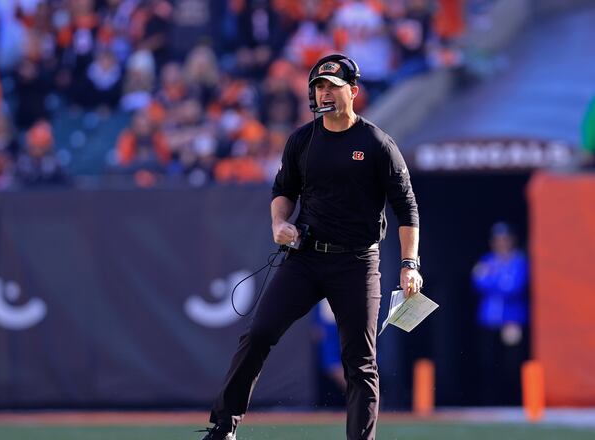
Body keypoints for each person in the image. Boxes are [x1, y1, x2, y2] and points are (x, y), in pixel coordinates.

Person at [198, 53, 422, 440]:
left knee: (360, 362)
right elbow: (282, 191)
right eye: (319, 86)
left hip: (357, 262)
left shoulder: (376, 143)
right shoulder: (303, 140)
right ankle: (224, 427)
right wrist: (278, 224)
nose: (324, 94)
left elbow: (407, 209)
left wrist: (409, 264)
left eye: (332, 87)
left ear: (352, 92)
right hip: (306, 257)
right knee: (259, 333)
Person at [471, 222, 529, 406]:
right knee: (488, 362)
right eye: (497, 240)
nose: (501, 243)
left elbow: (515, 287)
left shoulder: (519, 260)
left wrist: (492, 280)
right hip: (489, 321)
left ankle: (514, 402)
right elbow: (477, 282)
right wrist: (498, 282)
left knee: (511, 364)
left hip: (511, 321)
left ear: (512, 240)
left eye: (504, 239)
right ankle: (491, 402)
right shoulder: (488, 260)